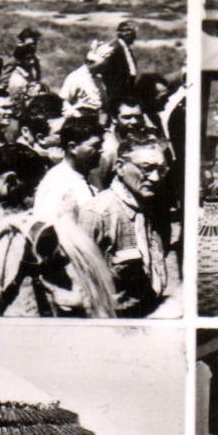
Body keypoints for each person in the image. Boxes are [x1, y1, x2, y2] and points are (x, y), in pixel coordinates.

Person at [77, 135, 174, 316]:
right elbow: (81, 285)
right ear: (120, 167)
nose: (155, 178)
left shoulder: (152, 206)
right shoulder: (97, 213)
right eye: (146, 169)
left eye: (161, 170)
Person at [32, 112, 102, 222]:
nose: (100, 151)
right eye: (95, 146)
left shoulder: (83, 176)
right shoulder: (57, 183)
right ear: (72, 147)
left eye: (101, 146)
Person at [61, 42, 111, 120]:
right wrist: (76, 116)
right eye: (101, 66)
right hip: (78, 119)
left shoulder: (98, 80)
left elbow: (104, 103)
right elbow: (63, 101)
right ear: (89, 63)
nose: (104, 69)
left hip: (96, 118)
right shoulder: (75, 77)